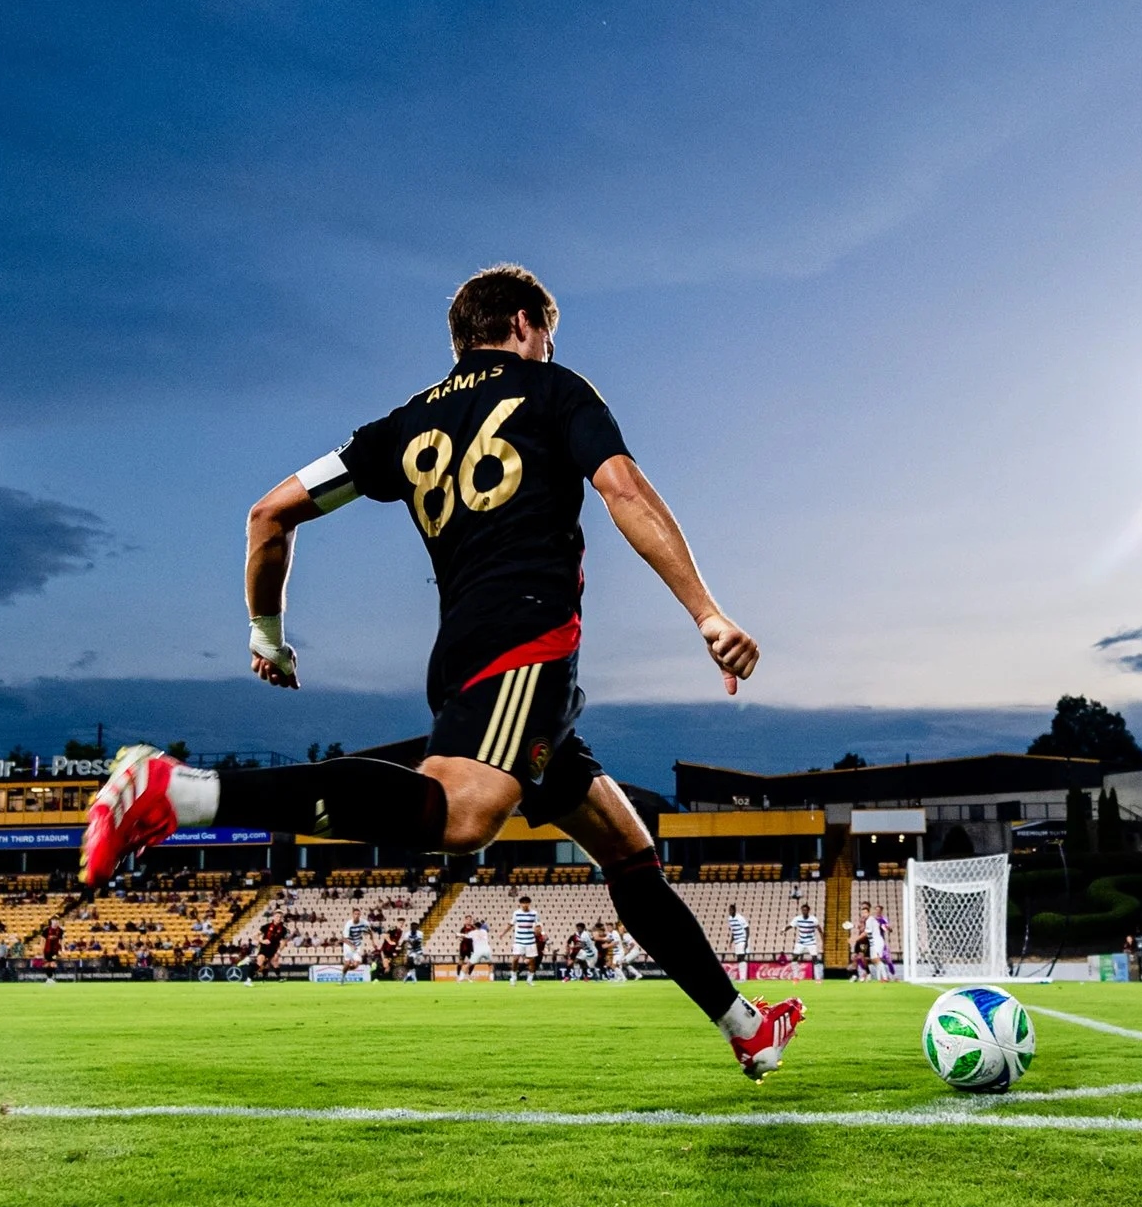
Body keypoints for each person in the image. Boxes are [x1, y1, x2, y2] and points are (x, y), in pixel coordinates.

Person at [79, 264, 803, 1076]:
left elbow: (269, 512)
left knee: (627, 851)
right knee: (464, 817)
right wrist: (706, 611)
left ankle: (745, 1025)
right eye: (548, 334)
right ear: (526, 323)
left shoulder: (401, 426)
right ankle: (177, 792)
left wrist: (267, 634)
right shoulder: (554, 388)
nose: (551, 347)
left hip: (466, 653)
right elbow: (622, 488)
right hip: (524, 641)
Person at [510, 894, 541, 983]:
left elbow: (538, 925)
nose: (525, 904)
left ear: (529, 903)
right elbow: (511, 923)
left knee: (532, 961)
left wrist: (538, 930)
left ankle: (530, 979)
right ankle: (513, 977)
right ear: (520, 904)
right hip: (519, 940)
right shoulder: (516, 913)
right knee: (515, 958)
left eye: (526, 903)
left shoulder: (534, 913)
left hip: (530, 940)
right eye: (523, 903)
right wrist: (503, 933)